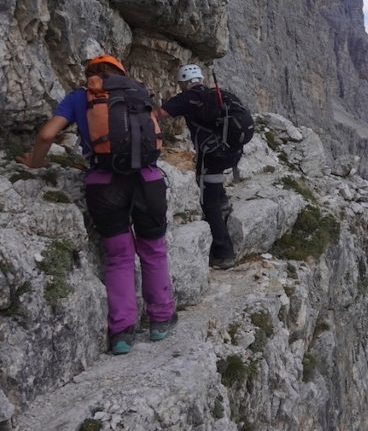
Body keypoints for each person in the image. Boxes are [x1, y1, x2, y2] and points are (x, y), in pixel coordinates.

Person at [17, 54, 177, 355]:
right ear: (121, 73)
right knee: (154, 249)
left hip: (104, 185)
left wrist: (35, 165)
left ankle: (121, 334)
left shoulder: (82, 97)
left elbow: (47, 134)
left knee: (119, 256)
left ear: (90, 75)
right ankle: (160, 321)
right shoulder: (138, 93)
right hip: (149, 181)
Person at [159, 63, 240, 270]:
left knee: (208, 202)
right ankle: (223, 202)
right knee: (215, 190)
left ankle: (223, 253)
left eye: (181, 83)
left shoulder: (187, 98)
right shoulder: (219, 94)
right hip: (230, 153)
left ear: (185, 82)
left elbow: (161, 113)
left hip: (210, 156)